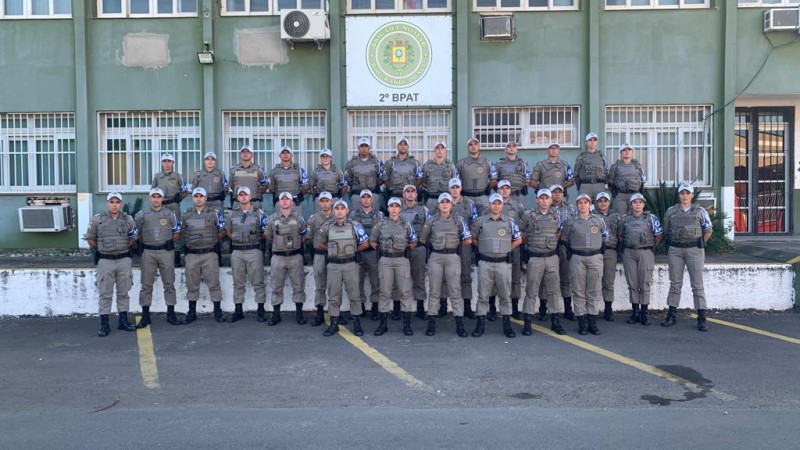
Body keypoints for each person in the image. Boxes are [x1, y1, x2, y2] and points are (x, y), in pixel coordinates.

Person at [661, 183, 713, 332]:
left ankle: (702, 318)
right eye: (682, 193)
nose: (684, 196)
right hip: (676, 249)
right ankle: (671, 315)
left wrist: (699, 244)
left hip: (694, 249)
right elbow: (666, 230)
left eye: (687, 193)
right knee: (675, 283)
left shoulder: (700, 211)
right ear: (679, 195)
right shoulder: (671, 211)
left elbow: (708, 230)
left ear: (691, 195)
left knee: (697, 285)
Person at [419, 193, 472, 337]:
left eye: (447, 202)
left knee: (455, 291)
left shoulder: (458, 220)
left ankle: (459, 325)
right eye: (442, 202)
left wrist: (455, 246)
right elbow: (423, 239)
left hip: (453, 256)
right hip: (436, 257)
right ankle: (431, 323)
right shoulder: (431, 221)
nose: (444, 204)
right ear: (438, 204)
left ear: (451, 204)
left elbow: (467, 239)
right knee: (434, 291)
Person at [84, 192, 138, 337]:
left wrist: (122, 248)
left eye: (117, 202)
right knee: (105, 294)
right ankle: (104, 324)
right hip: (105, 261)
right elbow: (90, 238)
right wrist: (102, 250)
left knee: (123, 292)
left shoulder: (128, 219)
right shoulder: (97, 220)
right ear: (107, 203)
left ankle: (123, 321)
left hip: (123, 260)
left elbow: (133, 236)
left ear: (121, 203)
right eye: (112, 202)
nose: (114, 204)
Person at [471, 193, 522, 338]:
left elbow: (518, 239)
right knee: (483, 296)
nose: (496, 206)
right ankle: (480, 325)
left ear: (502, 205)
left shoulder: (510, 222)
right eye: (494, 203)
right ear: (489, 205)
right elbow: (472, 238)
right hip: (485, 263)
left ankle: (507, 325)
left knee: (505, 296)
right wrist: (484, 247)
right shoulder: (480, 222)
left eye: (499, 203)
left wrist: (506, 248)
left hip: (503, 264)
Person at [318, 199, 371, 337]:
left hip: (350, 265)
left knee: (354, 295)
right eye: (337, 208)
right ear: (333, 211)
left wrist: (352, 252)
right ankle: (334, 324)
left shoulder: (355, 225)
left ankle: (357, 323)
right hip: (334, 265)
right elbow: (320, 243)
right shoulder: (327, 226)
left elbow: (365, 243)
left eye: (342, 208)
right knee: (334, 296)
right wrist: (332, 251)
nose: (340, 210)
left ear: (347, 211)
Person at [519, 188, 566, 336]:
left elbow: (559, 232)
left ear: (551, 200)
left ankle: (555, 321)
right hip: (535, 258)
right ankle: (528, 321)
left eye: (547, 198)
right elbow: (521, 233)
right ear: (537, 200)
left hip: (551, 257)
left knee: (553, 290)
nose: (544, 201)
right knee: (531, 290)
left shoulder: (556, 215)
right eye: (541, 198)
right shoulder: (529, 215)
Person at [561, 194, 608, 336]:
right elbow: (565, 239)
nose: (583, 205)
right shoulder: (571, 222)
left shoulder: (599, 221)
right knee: (578, 290)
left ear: (590, 204)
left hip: (595, 257)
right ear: (577, 205)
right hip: (577, 258)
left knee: (593, 291)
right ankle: (582, 322)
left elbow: (605, 237)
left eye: (585, 202)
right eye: (580, 203)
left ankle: (592, 323)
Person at [134, 188, 181, 328]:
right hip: (148, 252)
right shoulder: (141, 215)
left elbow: (178, 232)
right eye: (153, 197)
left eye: (158, 197)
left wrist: (169, 242)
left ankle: (171, 314)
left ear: (162, 198)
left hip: (166, 252)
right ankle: (145, 316)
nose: (156, 199)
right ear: (150, 198)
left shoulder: (169, 214)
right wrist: (145, 242)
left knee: (169, 284)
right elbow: (136, 233)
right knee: (146, 285)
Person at [370, 197, 417, 336]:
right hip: (385, 260)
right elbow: (372, 241)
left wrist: (405, 247)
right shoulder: (380, 224)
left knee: (404, 292)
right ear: (388, 208)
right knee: (384, 292)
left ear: (400, 208)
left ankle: (407, 325)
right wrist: (381, 248)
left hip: (402, 259)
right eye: (392, 206)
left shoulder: (406, 224)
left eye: (397, 206)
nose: (394, 209)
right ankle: (383, 325)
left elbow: (413, 240)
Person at [181, 187, 226, 323]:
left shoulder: (214, 214)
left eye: (201, 196)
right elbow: (182, 232)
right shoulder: (186, 214)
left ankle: (217, 312)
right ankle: (191, 312)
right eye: (196, 196)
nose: (199, 199)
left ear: (206, 198)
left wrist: (211, 241)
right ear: (193, 198)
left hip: (209, 254)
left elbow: (222, 230)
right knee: (192, 284)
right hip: (192, 254)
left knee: (214, 283)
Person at [618, 193, 663, 326]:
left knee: (645, 283)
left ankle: (644, 313)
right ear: (631, 204)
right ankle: (635, 312)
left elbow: (658, 235)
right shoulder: (625, 219)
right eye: (635, 202)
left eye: (640, 202)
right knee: (632, 283)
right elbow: (620, 235)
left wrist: (650, 246)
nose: (637, 204)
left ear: (644, 204)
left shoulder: (651, 218)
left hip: (646, 252)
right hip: (629, 252)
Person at [224, 186, 268, 323]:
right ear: (237, 198)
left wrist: (252, 240)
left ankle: (260, 309)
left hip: (253, 250)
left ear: (250, 197)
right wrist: (238, 239)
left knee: (258, 282)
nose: (243, 197)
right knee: (238, 282)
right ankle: (238, 310)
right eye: (240, 195)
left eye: (245, 194)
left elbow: (265, 232)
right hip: (237, 251)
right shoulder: (231, 214)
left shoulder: (259, 213)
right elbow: (228, 232)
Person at [264, 192, 308, 326]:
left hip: (295, 257)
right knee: (276, 287)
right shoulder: (272, 219)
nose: (284, 201)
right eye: (282, 199)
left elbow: (304, 236)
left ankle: (299, 314)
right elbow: (268, 236)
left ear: (292, 202)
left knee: (298, 286)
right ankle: (276, 314)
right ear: (278, 202)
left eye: (287, 199)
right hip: (278, 257)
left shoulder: (299, 219)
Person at [447, 178, 479, 319]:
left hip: (464, 244)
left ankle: (467, 305)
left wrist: (468, 238)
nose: (455, 190)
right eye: (452, 187)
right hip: (448, 245)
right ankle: (443, 305)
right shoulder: (444, 203)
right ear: (449, 189)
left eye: (457, 187)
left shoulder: (469, 204)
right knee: (445, 276)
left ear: (461, 188)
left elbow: (474, 223)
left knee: (465, 275)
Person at [349, 189, 384, 320]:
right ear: (359, 200)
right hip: (359, 252)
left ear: (372, 199)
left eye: (368, 197)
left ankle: (375, 307)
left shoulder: (379, 215)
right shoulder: (353, 215)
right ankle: (361, 306)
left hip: (373, 252)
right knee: (358, 281)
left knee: (376, 281)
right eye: (363, 197)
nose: (365, 199)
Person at [399, 184, 430, 320]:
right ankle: (396, 307)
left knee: (419, 276)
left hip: (418, 248)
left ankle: (420, 306)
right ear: (403, 194)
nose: (410, 194)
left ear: (416, 194)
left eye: (413, 191)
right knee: (399, 278)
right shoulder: (397, 209)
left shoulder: (423, 209)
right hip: (400, 248)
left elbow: (429, 227)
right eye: (408, 191)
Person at [151, 153, 189, 267]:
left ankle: (176, 256)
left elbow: (185, 190)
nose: (167, 164)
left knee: (175, 229)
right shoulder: (157, 176)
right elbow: (153, 192)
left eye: (169, 161)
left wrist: (179, 198)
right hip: (161, 206)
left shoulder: (178, 176)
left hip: (173, 206)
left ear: (173, 163)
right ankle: (160, 255)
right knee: (161, 228)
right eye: (165, 161)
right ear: (162, 163)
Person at [547, 184, 577, 322]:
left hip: (565, 246)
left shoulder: (570, 209)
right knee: (546, 278)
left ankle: (567, 308)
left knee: (566, 278)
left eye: (560, 192)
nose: (557, 194)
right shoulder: (545, 208)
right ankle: (543, 308)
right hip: (548, 247)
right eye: (554, 192)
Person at [191, 151, 228, 265]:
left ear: (215, 161)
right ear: (204, 161)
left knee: (218, 228)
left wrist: (222, 195)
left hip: (217, 203)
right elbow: (194, 189)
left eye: (212, 159)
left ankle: (218, 254)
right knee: (204, 226)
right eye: (208, 159)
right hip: (204, 204)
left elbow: (225, 187)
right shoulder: (198, 174)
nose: (210, 161)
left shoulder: (220, 173)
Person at [497, 179, 525, 320]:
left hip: (514, 247)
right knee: (495, 279)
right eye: (502, 188)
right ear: (498, 191)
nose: (504, 190)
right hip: (496, 249)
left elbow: (524, 226)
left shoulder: (517, 206)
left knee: (515, 278)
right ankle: (492, 307)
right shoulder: (491, 206)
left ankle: (514, 307)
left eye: (507, 188)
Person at [307, 192, 335, 327]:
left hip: (335, 256)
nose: (325, 204)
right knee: (320, 285)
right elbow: (310, 237)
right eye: (322, 201)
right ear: (319, 202)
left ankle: (335, 313)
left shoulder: (338, 216)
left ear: (331, 202)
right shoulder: (313, 219)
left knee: (334, 286)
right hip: (319, 255)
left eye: (327, 201)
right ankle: (319, 312)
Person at [594, 192, 621, 322]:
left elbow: (621, 234)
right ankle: (592, 310)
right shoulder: (593, 217)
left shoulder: (616, 217)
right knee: (594, 281)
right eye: (600, 201)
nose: (603, 203)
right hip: (596, 252)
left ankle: (608, 309)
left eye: (605, 201)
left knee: (608, 282)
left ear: (609, 202)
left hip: (610, 251)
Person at [455, 137, 496, 214]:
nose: (473, 146)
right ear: (467, 148)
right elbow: (455, 181)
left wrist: (488, 188)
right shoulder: (461, 163)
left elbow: (494, 179)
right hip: (466, 197)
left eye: (475, 144)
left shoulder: (487, 162)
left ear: (479, 146)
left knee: (484, 221)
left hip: (482, 198)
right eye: (470, 145)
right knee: (466, 218)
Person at [346, 137, 384, 212]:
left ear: (369, 147)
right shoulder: (351, 163)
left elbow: (381, 178)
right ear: (358, 148)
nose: (364, 148)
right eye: (362, 146)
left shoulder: (377, 162)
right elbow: (348, 179)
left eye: (366, 146)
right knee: (356, 219)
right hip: (357, 195)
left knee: (375, 219)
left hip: (372, 195)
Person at [607, 144, 646, 215]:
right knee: (620, 217)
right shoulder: (615, 166)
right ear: (621, 153)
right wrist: (615, 194)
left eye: (629, 150)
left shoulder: (638, 166)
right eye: (624, 150)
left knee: (634, 217)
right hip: (620, 195)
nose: (627, 152)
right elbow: (610, 182)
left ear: (632, 152)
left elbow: (642, 181)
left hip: (634, 195)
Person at [268, 146, 309, 212]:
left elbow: (306, 187)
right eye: (283, 153)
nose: (285, 155)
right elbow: (271, 189)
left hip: (296, 204)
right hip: (280, 204)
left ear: (291, 155)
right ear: (279, 155)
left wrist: (297, 197)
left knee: (297, 222)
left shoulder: (299, 170)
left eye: (287, 153)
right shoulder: (274, 171)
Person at [421, 141, 458, 212]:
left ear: (445, 150)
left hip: (446, 201)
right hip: (431, 200)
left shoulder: (451, 166)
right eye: (437, 148)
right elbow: (423, 182)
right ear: (434, 150)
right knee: (430, 220)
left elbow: (454, 182)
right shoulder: (427, 166)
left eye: (442, 148)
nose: (440, 150)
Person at [229, 146, 268, 210]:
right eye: (243, 152)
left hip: (254, 203)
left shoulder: (258, 169)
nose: (245, 154)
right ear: (240, 154)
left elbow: (265, 185)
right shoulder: (234, 169)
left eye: (248, 152)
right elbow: (231, 185)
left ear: (252, 154)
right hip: (238, 204)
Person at [495, 140, 531, 205]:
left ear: (517, 150)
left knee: (520, 213)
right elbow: (494, 180)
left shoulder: (524, 163)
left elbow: (527, 181)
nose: (511, 148)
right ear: (505, 150)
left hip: (519, 195)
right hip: (504, 195)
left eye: (514, 146)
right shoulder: (499, 164)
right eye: (509, 146)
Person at [574, 132, 608, 200]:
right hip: (585, 185)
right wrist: (580, 186)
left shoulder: (602, 156)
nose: (592, 142)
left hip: (599, 185)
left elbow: (606, 171)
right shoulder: (581, 157)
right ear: (586, 142)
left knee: (600, 206)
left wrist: (605, 185)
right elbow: (576, 175)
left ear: (597, 142)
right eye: (590, 140)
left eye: (594, 140)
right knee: (584, 205)